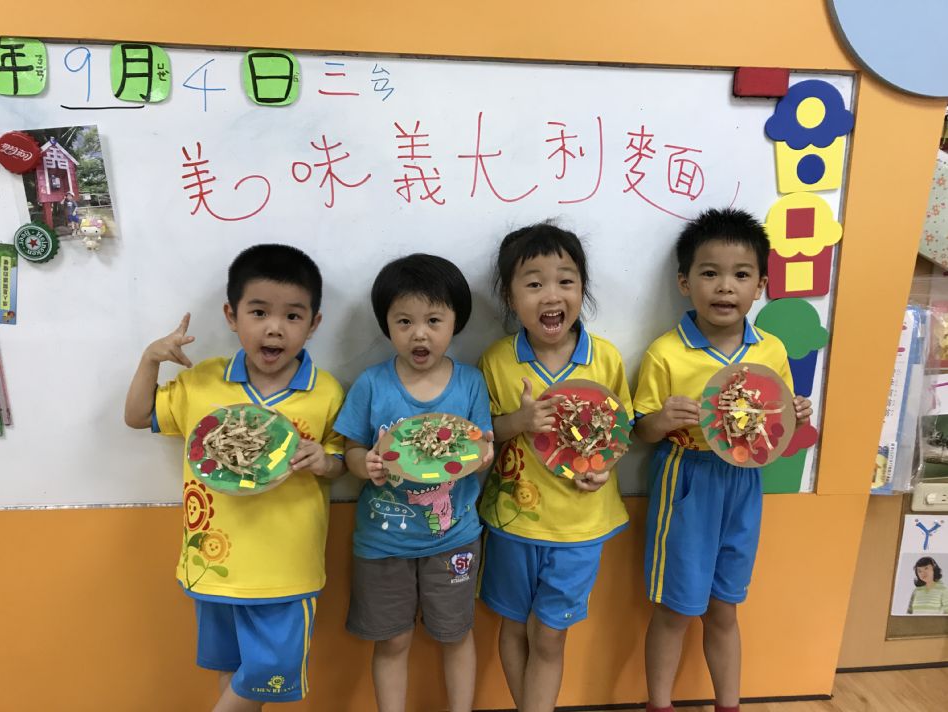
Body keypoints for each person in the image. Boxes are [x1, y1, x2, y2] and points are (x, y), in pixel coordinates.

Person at [124, 244, 345, 712]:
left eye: (292, 316)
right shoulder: (204, 382)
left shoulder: (324, 391)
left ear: (314, 324)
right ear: (232, 315)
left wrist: (324, 461)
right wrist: (150, 359)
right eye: (259, 312)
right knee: (232, 667)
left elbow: (341, 460)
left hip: (286, 568)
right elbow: (139, 416)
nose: (274, 328)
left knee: (268, 670)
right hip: (212, 560)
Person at [633, 208, 813, 712]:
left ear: (761, 286)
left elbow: (775, 429)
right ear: (685, 282)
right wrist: (662, 419)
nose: (725, 287)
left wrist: (795, 413)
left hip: (744, 483)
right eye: (710, 273)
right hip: (686, 479)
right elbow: (639, 431)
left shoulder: (771, 350)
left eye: (741, 274)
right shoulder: (666, 352)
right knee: (674, 610)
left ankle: (729, 704)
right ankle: (659, 704)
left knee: (725, 606)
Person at [477, 223, 632, 712]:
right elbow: (481, 435)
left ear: (582, 288)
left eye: (566, 280)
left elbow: (620, 433)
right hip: (513, 522)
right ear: (510, 296)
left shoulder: (604, 358)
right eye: (534, 283)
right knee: (513, 626)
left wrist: (604, 468)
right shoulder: (497, 361)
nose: (551, 294)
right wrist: (518, 421)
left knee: (548, 635)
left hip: (580, 527)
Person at [333, 254, 494, 712]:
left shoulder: (470, 383)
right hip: (383, 540)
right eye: (404, 321)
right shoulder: (372, 384)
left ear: (455, 322)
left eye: (433, 321)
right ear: (386, 325)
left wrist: (482, 456)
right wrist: (366, 464)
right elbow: (350, 452)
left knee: (455, 634)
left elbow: (484, 446)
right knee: (392, 640)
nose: (419, 334)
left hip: (454, 537)